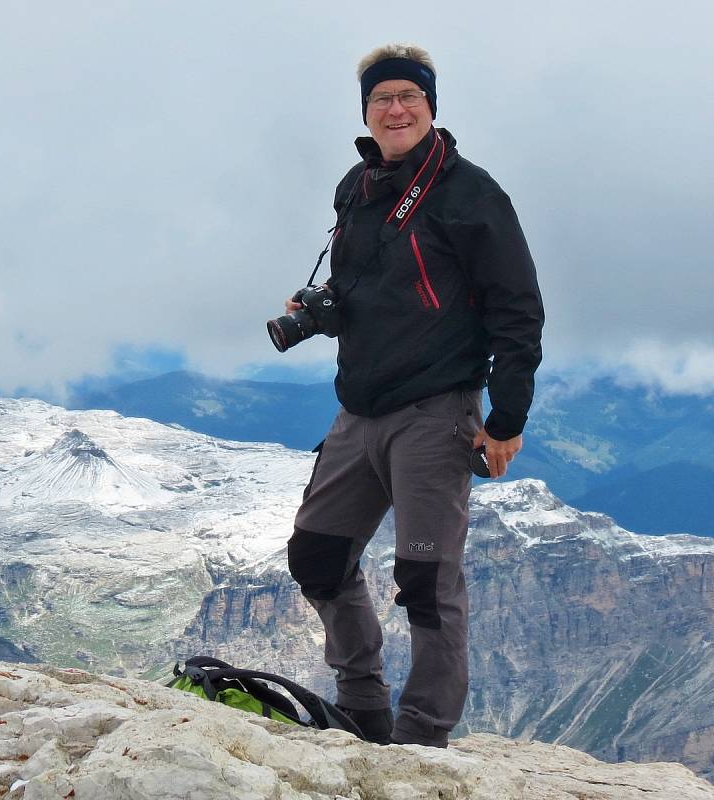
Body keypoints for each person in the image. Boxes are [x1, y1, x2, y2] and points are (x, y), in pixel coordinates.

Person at [286, 43, 544, 748]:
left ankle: (422, 738)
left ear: (431, 105)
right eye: (381, 99)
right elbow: (369, 286)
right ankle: (363, 710)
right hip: (358, 412)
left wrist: (506, 418)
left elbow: (518, 311)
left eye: (409, 97)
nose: (395, 109)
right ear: (365, 110)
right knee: (316, 558)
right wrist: (323, 307)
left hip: (435, 412)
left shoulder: (471, 194)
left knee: (427, 582)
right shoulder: (359, 186)